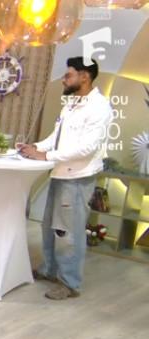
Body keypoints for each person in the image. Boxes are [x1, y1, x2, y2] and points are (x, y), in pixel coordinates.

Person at [20, 57, 112, 300]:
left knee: (68, 232)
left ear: (85, 76)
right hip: (60, 173)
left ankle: (69, 283)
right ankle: (49, 269)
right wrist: (35, 147)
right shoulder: (71, 104)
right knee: (49, 226)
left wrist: (47, 155)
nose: (63, 79)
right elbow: (56, 136)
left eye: (68, 75)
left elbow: (87, 148)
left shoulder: (99, 107)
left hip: (77, 178)